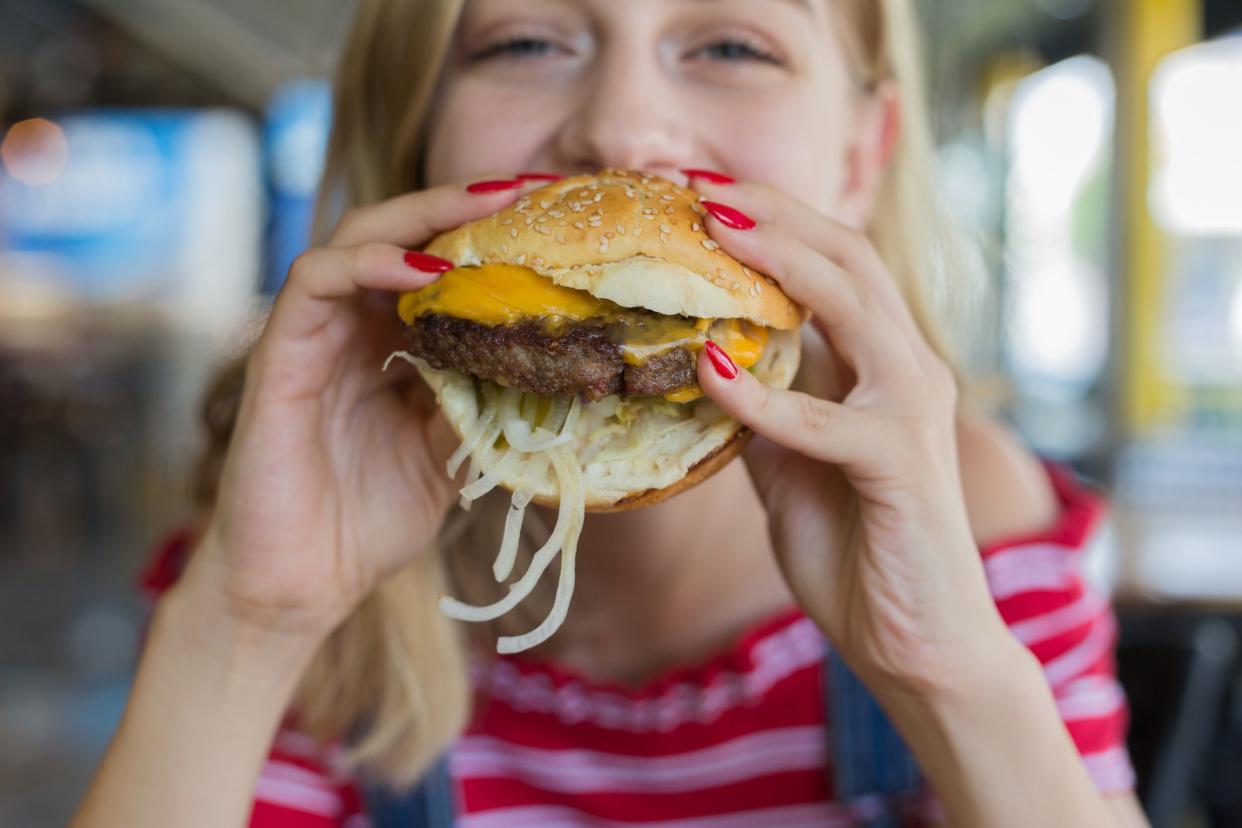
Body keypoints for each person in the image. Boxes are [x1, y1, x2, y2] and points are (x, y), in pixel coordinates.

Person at [73, 0, 1150, 825]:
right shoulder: (270, 549)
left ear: (861, 155)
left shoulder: (982, 517)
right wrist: (248, 627)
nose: (625, 131)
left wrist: (947, 673)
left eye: (733, 45)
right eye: (526, 42)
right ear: (418, 127)